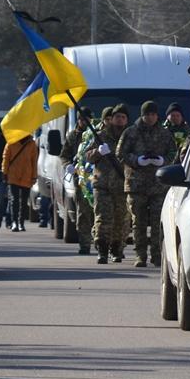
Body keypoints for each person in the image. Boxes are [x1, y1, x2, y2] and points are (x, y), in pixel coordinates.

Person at [117, 100, 176, 268]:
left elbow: (173, 151)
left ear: (157, 116)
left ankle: (157, 255)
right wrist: (137, 160)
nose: (150, 118)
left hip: (158, 185)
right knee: (139, 222)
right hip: (137, 184)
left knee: (158, 222)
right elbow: (120, 153)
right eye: (147, 114)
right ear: (142, 115)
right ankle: (140, 255)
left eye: (152, 114)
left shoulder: (165, 133)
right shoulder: (131, 133)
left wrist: (164, 160)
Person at [86, 104, 130, 263]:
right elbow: (88, 157)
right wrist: (98, 152)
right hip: (102, 184)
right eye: (117, 117)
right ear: (111, 119)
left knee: (121, 220)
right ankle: (102, 250)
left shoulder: (130, 136)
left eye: (123, 117)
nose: (119, 120)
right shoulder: (101, 136)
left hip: (123, 185)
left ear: (127, 120)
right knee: (103, 218)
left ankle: (117, 249)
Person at [61, 107, 99, 254]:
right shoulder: (73, 136)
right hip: (81, 179)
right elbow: (64, 155)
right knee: (83, 212)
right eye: (82, 119)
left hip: (96, 178)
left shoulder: (96, 133)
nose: (84, 122)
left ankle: (99, 242)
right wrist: (68, 165)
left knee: (99, 212)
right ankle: (84, 244)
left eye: (87, 119)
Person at [2, 134, 38, 232]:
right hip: (13, 176)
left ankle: (21, 223)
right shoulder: (11, 142)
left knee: (24, 201)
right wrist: (4, 172)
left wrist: (34, 176)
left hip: (27, 176)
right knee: (14, 200)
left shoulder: (32, 144)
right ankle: (15, 223)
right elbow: (6, 158)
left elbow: (34, 161)